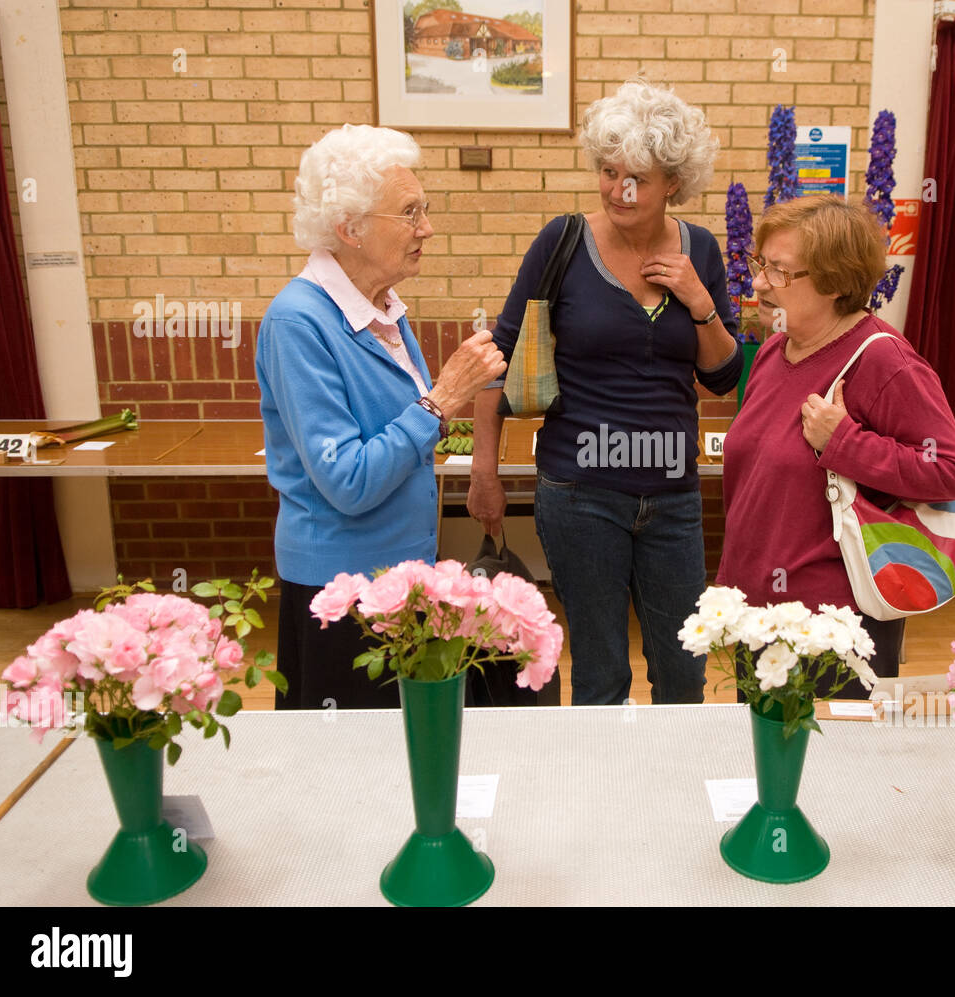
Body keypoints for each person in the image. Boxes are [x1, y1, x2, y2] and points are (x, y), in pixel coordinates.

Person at [468, 79, 742, 706]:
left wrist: (699, 302)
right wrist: (485, 470)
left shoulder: (700, 248)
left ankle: (676, 795)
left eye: (637, 177)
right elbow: (498, 356)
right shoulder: (562, 242)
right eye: (609, 170)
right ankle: (604, 798)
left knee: (684, 671)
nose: (619, 189)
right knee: (599, 672)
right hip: (580, 491)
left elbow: (723, 375)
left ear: (673, 182)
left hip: (673, 493)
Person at [256, 124, 505, 710]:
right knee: (348, 773)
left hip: (398, 576)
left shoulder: (382, 308)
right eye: (410, 213)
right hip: (339, 589)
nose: (427, 228)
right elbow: (346, 481)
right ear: (351, 228)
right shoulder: (299, 322)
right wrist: (442, 399)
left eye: (426, 209)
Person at [715, 195, 955, 697]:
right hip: (760, 616)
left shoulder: (883, 361)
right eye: (760, 263)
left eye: (780, 271)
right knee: (772, 763)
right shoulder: (774, 349)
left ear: (835, 281)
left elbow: (950, 473)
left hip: (836, 625)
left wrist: (845, 443)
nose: (760, 282)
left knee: (834, 773)